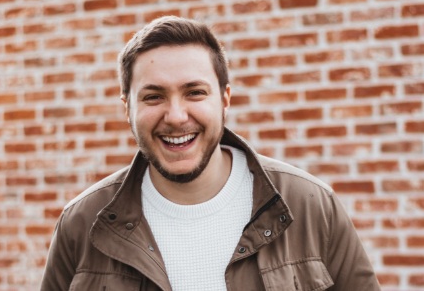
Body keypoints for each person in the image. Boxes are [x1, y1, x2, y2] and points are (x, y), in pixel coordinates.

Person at [41, 16, 380, 291]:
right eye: (153, 97)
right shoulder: (82, 224)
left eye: (195, 92)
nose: (175, 116)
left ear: (225, 99)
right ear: (127, 108)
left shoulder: (311, 205)